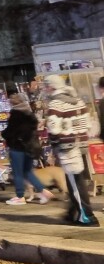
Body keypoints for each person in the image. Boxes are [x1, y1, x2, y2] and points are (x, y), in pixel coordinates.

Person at [45, 74, 98, 226]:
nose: (45, 89)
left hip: (67, 147)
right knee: (73, 180)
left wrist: (54, 142)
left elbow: (54, 128)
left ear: (52, 87)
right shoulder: (78, 100)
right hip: (80, 145)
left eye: (46, 86)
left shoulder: (56, 104)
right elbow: (88, 125)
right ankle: (73, 212)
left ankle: (87, 216)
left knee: (76, 182)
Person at [1, 92, 52, 205]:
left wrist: (3, 133)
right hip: (30, 147)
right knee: (27, 171)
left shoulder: (15, 115)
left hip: (17, 147)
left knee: (18, 173)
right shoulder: (30, 114)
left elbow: (11, 132)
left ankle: (20, 196)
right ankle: (43, 191)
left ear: (12, 103)